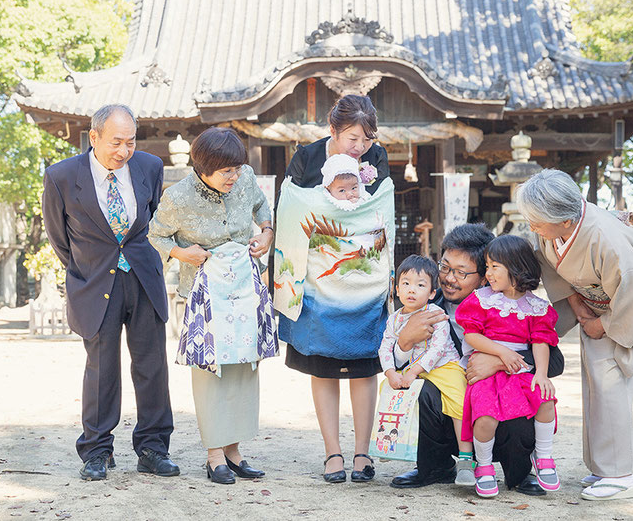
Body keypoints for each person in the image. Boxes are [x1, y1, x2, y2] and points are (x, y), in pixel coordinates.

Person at [41, 104, 179, 481]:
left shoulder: (150, 167)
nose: (123, 151)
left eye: (130, 142)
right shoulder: (61, 176)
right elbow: (59, 237)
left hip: (143, 279)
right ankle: (97, 451)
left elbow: (153, 222)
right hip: (95, 281)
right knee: (101, 369)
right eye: (116, 142)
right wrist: (89, 267)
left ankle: (153, 448)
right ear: (94, 137)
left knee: (151, 365)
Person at [517, 169, 633, 501]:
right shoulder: (553, 227)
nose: (533, 228)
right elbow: (550, 264)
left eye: (537, 221)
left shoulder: (606, 239)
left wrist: (603, 323)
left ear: (566, 220)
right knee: (594, 382)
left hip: (625, 306)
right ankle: (603, 468)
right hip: (591, 301)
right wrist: (579, 308)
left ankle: (621, 476)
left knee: (610, 379)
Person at [389, 224, 565, 496]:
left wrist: (499, 360)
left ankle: (518, 472)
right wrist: (405, 342)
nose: (448, 278)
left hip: (497, 409)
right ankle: (435, 466)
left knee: (525, 395)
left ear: (486, 276)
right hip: (453, 416)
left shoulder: (512, 307)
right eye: (445, 267)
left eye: (461, 272)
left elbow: (555, 363)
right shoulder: (424, 310)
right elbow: (398, 368)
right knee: (425, 391)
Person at [148, 127, 277, 485]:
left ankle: (234, 451)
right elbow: (154, 233)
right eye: (226, 172)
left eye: (237, 169)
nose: (234, 177)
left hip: (244, 290)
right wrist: (180, 253)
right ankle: (214, 454)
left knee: (242, 369)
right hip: (205, 297)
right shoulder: (178, 197)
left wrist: (265, 233)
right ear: (203, 168)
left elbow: (262, 210)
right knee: (211, 373)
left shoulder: (245, 177)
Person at [275, 94, 391, 483]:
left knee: (363, 366)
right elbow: (292, 207)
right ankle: (332, 453)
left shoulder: (376, 157)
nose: (360, 148)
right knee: (322, 367)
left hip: (362, 279)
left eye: (366, 139)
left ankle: (362, 451)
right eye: (352, 139)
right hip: (317, 280)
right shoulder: (307, 157)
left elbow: (379, 211)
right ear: (333, 130)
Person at [456, 235, 560, 498]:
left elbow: (540, 341)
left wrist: (541, 375)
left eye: (494, 267)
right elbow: (471, 335)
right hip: (487, 373)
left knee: (546, 399)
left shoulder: (536, 307)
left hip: (520, 373)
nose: (487, 273)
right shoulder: (482, 300)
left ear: (516, 267)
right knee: (486, 416)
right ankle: (484, 465)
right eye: (487, 266)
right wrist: (501, 352)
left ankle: (544, 456)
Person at [378, 255, 474, 486]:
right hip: (416, 368)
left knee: (459, 401)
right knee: (388, 390)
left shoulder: (436, 314)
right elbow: (385, 347)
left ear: (432, 292)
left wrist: (412, 372)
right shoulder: (394, 319)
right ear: (396, 288)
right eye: (406, 283)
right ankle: (390, 444)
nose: (412, 290)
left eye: (420, 285)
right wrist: (391, 372)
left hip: (444, 366)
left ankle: (465, 460)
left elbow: (438, 349)